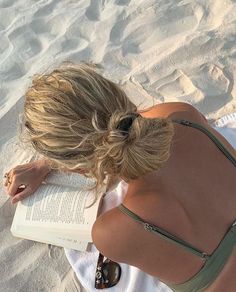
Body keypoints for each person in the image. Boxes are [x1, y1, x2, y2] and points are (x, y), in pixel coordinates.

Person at [4, 63, 236, 291]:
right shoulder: (181, 114)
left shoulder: (116, 230)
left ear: (78, 169)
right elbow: (132, 124)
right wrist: (48, 162)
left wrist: (49, 163)